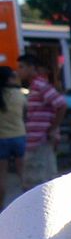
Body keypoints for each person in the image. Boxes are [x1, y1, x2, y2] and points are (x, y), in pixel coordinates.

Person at [16, 54, 67, 192]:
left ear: (32, 68)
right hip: (37, 140)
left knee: (38, 182)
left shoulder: (40, 85)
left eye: (22, 67)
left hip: (40, 140)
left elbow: (61, 104)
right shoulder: (35, 86)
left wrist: (52, 129)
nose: (18, 71)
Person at [0, 66, 26, 209]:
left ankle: (1, 209)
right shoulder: (18, 94)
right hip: (19, 135)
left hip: (2, 138)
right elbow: (25, 112)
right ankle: (29, 205)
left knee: (1, 177)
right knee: (23, 174)